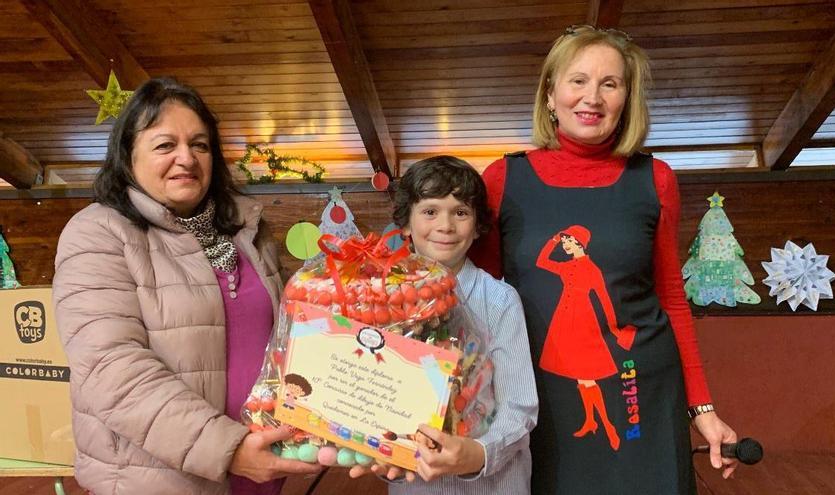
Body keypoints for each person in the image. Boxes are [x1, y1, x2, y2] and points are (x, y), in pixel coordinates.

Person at [470, 25, 739, 494]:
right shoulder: (501, 179)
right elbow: (479, 300)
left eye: (609, 84)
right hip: (537, 392)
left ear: (625, 99)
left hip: (642, 388)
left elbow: (671, 299)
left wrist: (703, 408)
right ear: (550, 93)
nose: (591, 97)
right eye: (578, 80)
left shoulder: (655, 179)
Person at [52, 77, 321, 495]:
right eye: (165, 145)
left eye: (200, 144)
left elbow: (288, 337)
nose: (187, 158)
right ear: (127, 155)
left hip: (263, 465)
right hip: (164, 479)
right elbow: (111, 371)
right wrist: (229, 449)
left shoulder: (248, 229)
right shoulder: (98, 233)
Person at [351, 155, 539, 494]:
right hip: (415, 485)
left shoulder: (499, 300)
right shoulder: (382, 303)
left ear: (479, 224)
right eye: (430, 211)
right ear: (405, 223)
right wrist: (376, 448)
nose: (446, 225)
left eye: (461, 212)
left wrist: (478, 454)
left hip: (494, 485)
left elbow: (519, 406)